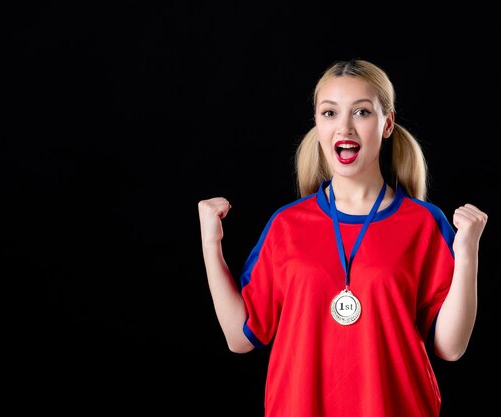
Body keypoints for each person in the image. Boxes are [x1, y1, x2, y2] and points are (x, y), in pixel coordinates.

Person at [197, 59, 488, 417]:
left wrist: (468, 253)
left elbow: (450, 347)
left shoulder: (425, 224)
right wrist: (211, 246)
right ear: (317, 125)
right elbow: (240, 338)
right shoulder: (286, 225)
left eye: (362, 112)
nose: (344, 127)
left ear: (387, 124)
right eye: (330, 113)